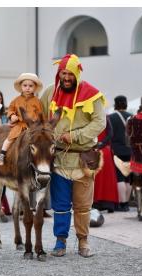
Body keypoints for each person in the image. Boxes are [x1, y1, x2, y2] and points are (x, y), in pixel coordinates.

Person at [47, 54, 106, 258]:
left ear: (77, 73)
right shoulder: (50, 93)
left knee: (82, 205)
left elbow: (100, 123)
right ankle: (60, 241)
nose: (66, 77)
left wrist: (75, 136)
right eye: (63, 73)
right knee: (60, 205)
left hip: (83, 159)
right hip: (59, 159)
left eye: (70, 73)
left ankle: (83, 241)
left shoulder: (92, 95)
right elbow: (38, 116)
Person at [0, 72, 44, 166]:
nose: (27, 88)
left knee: (40, 141)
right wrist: (12, 115)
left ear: (35, 87)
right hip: (19, 125)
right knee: (10, 138)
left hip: (33, 127)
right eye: (25, 85)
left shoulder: (37, 101)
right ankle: (2, 153)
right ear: (21, 86)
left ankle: (41, 158)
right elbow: (10, 109)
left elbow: (40, 114)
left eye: (30, 86)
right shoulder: (16, 100)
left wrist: (38, 122)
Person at [109, 95, 132, 211]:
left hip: (117, 151)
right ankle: (127, 203)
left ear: (115, 104)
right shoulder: (132, 117)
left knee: (120, 177)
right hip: (130, 151)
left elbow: (109, 135)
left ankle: (121, 203)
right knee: (128, 177)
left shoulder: (111, 118)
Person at [93, 115, 118, 213]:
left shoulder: (87, 117)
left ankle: (96, 202)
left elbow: (110, 133)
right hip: (103, 150)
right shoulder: (105, 117)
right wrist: (102, 144)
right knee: (107, 178)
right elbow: (110, 134)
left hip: (94, 150)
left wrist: (98, 144)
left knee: (97, 178)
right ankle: (109, 203)